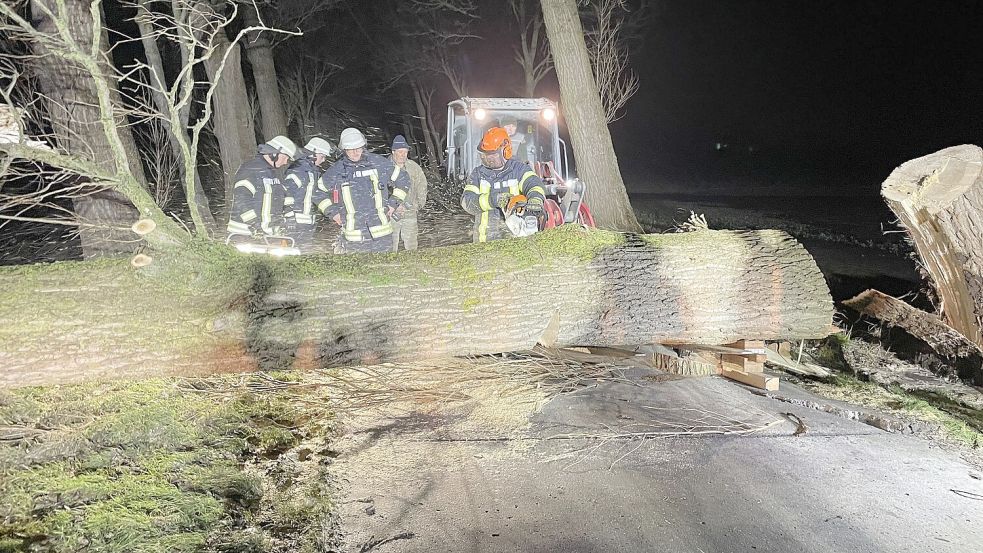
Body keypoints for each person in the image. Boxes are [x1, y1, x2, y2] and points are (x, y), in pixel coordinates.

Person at [318, 128, 411, 253]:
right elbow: (317, 191)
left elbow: (403, 179)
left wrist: (393, 204)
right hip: (354, 239)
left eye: (358, 148)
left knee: (385, 270)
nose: (355, 152)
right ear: (344, 150)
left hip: (382, 236)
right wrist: (332, 212)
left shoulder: (378, 163)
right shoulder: (337, 170)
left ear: (363, 146)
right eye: (351, 149)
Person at [460, 127, 546, 243]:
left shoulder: (519, 170)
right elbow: (467, 202)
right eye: (485, 155)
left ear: (506, 151)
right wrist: (493, 199)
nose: (489, 159)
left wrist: (535, 199)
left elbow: (535, 185)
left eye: (493, 155)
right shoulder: (477, 174)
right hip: (484, 243)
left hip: (516, 242)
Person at [226, 135, 300, 242]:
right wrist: (253, 224)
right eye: (285, 158)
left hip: (265, 236)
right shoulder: (250, 169)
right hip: (243, 234)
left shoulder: (273, 175)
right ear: (274, 154)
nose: (285, 162)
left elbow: (284, 198)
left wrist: (289, 219)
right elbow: (241, 200)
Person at [283, 137, 334, 252]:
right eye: (323, 156)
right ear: (314, 153)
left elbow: (316, 195)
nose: (324, 160)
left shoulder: (312, 171)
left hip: (307, 222)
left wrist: (332, 211)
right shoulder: (298, 170)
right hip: (296, 224)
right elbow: (287, 193)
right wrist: (289, 217)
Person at [389, 135, 428, 252]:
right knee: (390, 243)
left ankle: (412, 266)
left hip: (410, 211)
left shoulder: (413, 168)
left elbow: (422, 186)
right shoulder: (384, 168)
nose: (403, 155)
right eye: (400, 152)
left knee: (411, 244)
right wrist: (390, 206)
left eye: (405, 152)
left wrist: (418, 205)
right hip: (390, 213)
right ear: (393, 152)